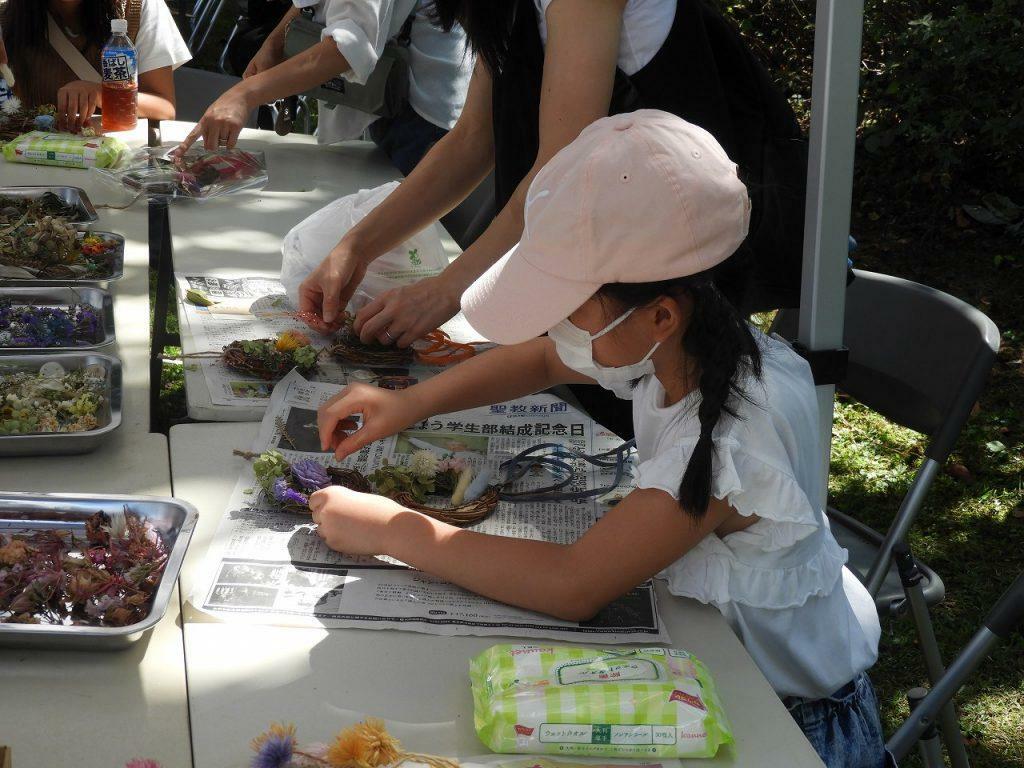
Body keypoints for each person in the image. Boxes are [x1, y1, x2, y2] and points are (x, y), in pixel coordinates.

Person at [310, 112, 885, 768]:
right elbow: (547, 360)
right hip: (714, 670)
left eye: (570, 308)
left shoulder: (726, 437)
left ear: (662, 312)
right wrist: (406, 403)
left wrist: (394, 530)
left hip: (788, 725)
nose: (557, 327)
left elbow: (573, 585)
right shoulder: (683, 342)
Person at [297, 0, 809, 438]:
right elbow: (473, 139)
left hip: (644, 265)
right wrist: (353, 248)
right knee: (569, 368)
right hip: (583, 252)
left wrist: (445, 289)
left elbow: (557, 173)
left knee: (641, 412)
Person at [175, 0, 472, 176]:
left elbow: (349, 47)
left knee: (407, 246)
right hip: (384, 96)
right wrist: (274, 42)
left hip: (423, 115)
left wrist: (244, 94)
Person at [0, 0, 190, 131]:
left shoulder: (139, 7)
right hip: (30, 161)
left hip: (117, 163)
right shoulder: (6, 16)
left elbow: (164, 108)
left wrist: (102, 94)